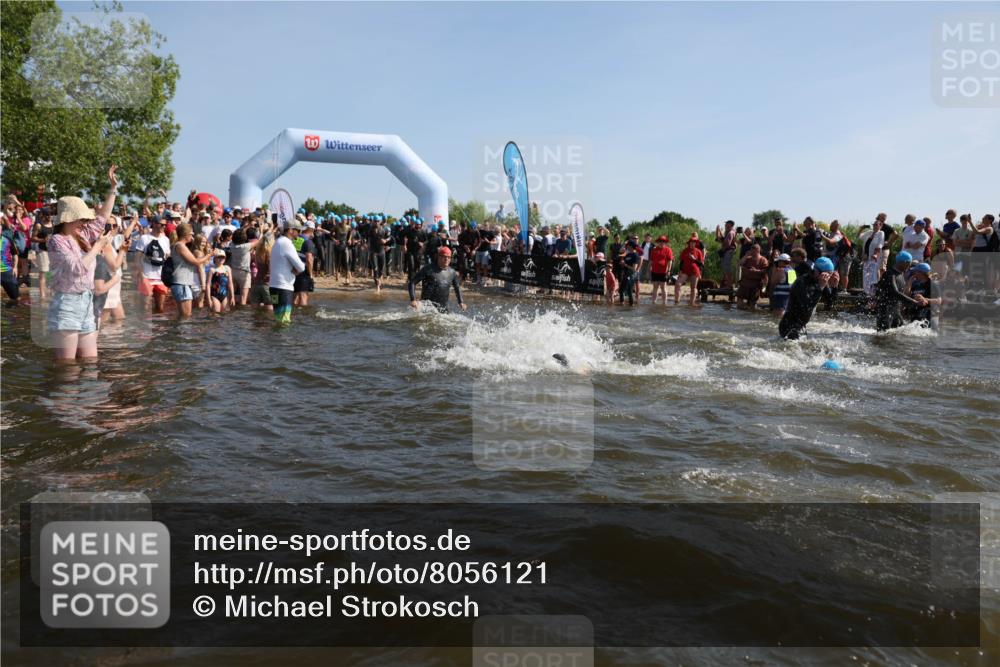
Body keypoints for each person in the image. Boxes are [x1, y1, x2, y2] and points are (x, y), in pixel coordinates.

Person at [45, 165, 118, 361]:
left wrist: (112, 189)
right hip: (67, 303)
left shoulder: (82, 235)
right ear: (67, 219)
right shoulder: (56, 241)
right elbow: (77, 268)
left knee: (90, 362)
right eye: (80, 218)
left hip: (87, 301)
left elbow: (102, 217)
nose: (85, 222)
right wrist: (97, 247)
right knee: (67, 367)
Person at [778, 256, 840, 340]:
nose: (828, 278)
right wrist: (820, 288)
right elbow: (807, 307)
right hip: (789, 325)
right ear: (817, 271)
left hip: (801, 326)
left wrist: (835, 287)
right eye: (827, 274)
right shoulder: (802, 282)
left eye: (830, 274)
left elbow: (830, 305)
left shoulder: (821, 281)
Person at [872, 251, 927, 332]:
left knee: (899, 335)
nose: (909, 266)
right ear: (903, 262)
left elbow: (901, 292)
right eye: (909, 263)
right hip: (885, 312)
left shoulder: (900, 274)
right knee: (883, 337)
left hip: (896, 311)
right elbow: (895, 292)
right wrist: (914, 302)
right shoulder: (890, 274)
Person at [170, 223, 214, 320]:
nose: (192, 236)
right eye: (191, 234)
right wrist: (209, 255)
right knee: (186, 316)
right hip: (181, 283)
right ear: (186, 234)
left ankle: (182, 333)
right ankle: (182, 334)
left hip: (182, 283)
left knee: (185, 315)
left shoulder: (180, 245)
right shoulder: (180, 246)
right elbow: (195, 262)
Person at [131, 217, 172, 313]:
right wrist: (141, 275)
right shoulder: (144, 238)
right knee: (145, 307)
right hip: (147, 276)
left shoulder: (166, 240)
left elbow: (167, 259)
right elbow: (137, 258)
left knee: (160, 307)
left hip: (160, 278)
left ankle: (158, 327)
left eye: (165, 225)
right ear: (154, 223)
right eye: (161, 224)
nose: (163, 226)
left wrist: (168, 278)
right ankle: (144, 326)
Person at [408, 245, 466, 312]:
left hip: (443, 308)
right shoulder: (428, 269)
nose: (446, 259)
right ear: (438, 257)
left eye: (449, 257)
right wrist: (413, 300)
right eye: (444, 257)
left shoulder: (452, 272)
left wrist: (461, 302)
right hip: (427, 307)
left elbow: (457, 287)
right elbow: (412, 283)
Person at [269, 220, 306, 325]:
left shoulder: (278, 241)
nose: (299, 233)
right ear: (290, 230)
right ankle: (284, 342)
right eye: (298, 230)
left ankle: (276, 341)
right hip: (284, 287)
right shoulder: (287, 243)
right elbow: (301, 267)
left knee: (278, 319)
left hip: (274, 286)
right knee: (284, 321)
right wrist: (296, 270)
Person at [30, 210, 55, 299]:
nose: (50, 217)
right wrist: (43, 240)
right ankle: (42, 296)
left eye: (51, 214)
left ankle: (52, 293)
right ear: (43, 216)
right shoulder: (39, 225)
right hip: (42, 251)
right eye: (48, 215)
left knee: (52, 273)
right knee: (43, 272)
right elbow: (32, 238)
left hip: (53, 251)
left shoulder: (54, 224)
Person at [675, 234, 704, 307]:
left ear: (695, 243)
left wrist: (694, 259)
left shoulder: (698, 251)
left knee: (693, 287)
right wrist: (680, 271)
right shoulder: (685, 251)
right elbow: (681, 262)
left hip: (695, 271)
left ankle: (691, 303)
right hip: (685, 271)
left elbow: (701, 264)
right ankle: (677, 302)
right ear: (689, 243)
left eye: (694, 242)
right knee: (678, 284)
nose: (692, 243)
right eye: (691, 242)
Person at [736, 244, 769, 309]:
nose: (751, 251)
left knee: (752, 304)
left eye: (753, 249)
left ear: (758, 250)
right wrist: (746, 255)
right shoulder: (747, 258)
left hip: (755, 284)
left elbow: (766, 271)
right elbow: (739, 264)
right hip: (744, 283)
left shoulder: (763, 259)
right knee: (739, 301)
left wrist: (756, 271)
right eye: (751, 249)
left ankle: (751, 316)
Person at [293, 222, 317, 306]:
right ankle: (303, 316)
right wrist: (310, 274)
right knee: (303, 295)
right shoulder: (308, 242)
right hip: (303, 271)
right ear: (312, 230)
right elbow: (309, 259)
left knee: (295, 295)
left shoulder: (295, 239)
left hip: (293, 270)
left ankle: (294, 314)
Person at [249, 233, 274, 309]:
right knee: (272, 308)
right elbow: (270, 269)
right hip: (268, 284)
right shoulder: (270, 254)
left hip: (256, 283)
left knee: (255, 312)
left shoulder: (258, 252)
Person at [862, 218, 886, 295]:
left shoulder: (881, 233)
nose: (874, 226)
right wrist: (861, 228)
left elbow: (880, 244)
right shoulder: (869, 233)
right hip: (866, 257)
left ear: (880, 226)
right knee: (866, 275)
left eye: (876, 225)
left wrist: (876, 254)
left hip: (874, 257)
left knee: (873, 275)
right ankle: (866, 292)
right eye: (874, 225)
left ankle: (874, 293)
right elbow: (860, 237)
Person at [648, 235, 673, 305]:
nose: (661, 243)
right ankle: (653, 302)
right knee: (655, 287)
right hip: (654, 271)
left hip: (663, 271)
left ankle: (664, 303)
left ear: (665, 242)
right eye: (660, 241)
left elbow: (670, 261)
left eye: (663, 241)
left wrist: (669, 270)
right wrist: (649, 268)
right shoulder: (654, 250)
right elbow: (651, 261)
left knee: (663, 287)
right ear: (658, 242)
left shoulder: (668, 250)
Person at [368, 219, 389, 292]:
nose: (376, 222)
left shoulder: (384, 230)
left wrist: (385, 241)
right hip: (373, 252)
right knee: (375, 268)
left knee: (381, 269)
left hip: (381, 252)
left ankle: (379, 280)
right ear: (373, 222)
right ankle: (377, 287)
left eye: (378, 221)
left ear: (380, 222)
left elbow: (390, 238)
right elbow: (364, 237)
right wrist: (364, 243)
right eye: (375, 221)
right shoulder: (370, 230)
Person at [1, 221, 19, 306]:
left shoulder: (7, 240)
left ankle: (10, 314)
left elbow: (15, 254)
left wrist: (15, 267)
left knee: (15, 297)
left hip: (7, 271)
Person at [715, 220, 736, 288]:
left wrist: (722, 247)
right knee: (725, 268)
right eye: (725, 224)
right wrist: (718, 231)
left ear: (730, 225)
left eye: (727, 224)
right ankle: (728, 284)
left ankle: (729, 285)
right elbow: (720, 239)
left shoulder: (730, 233)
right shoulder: (728, 232)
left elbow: (727, 243)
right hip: (727, 251)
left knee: (727, 268)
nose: (725, 225)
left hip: (729, 251)